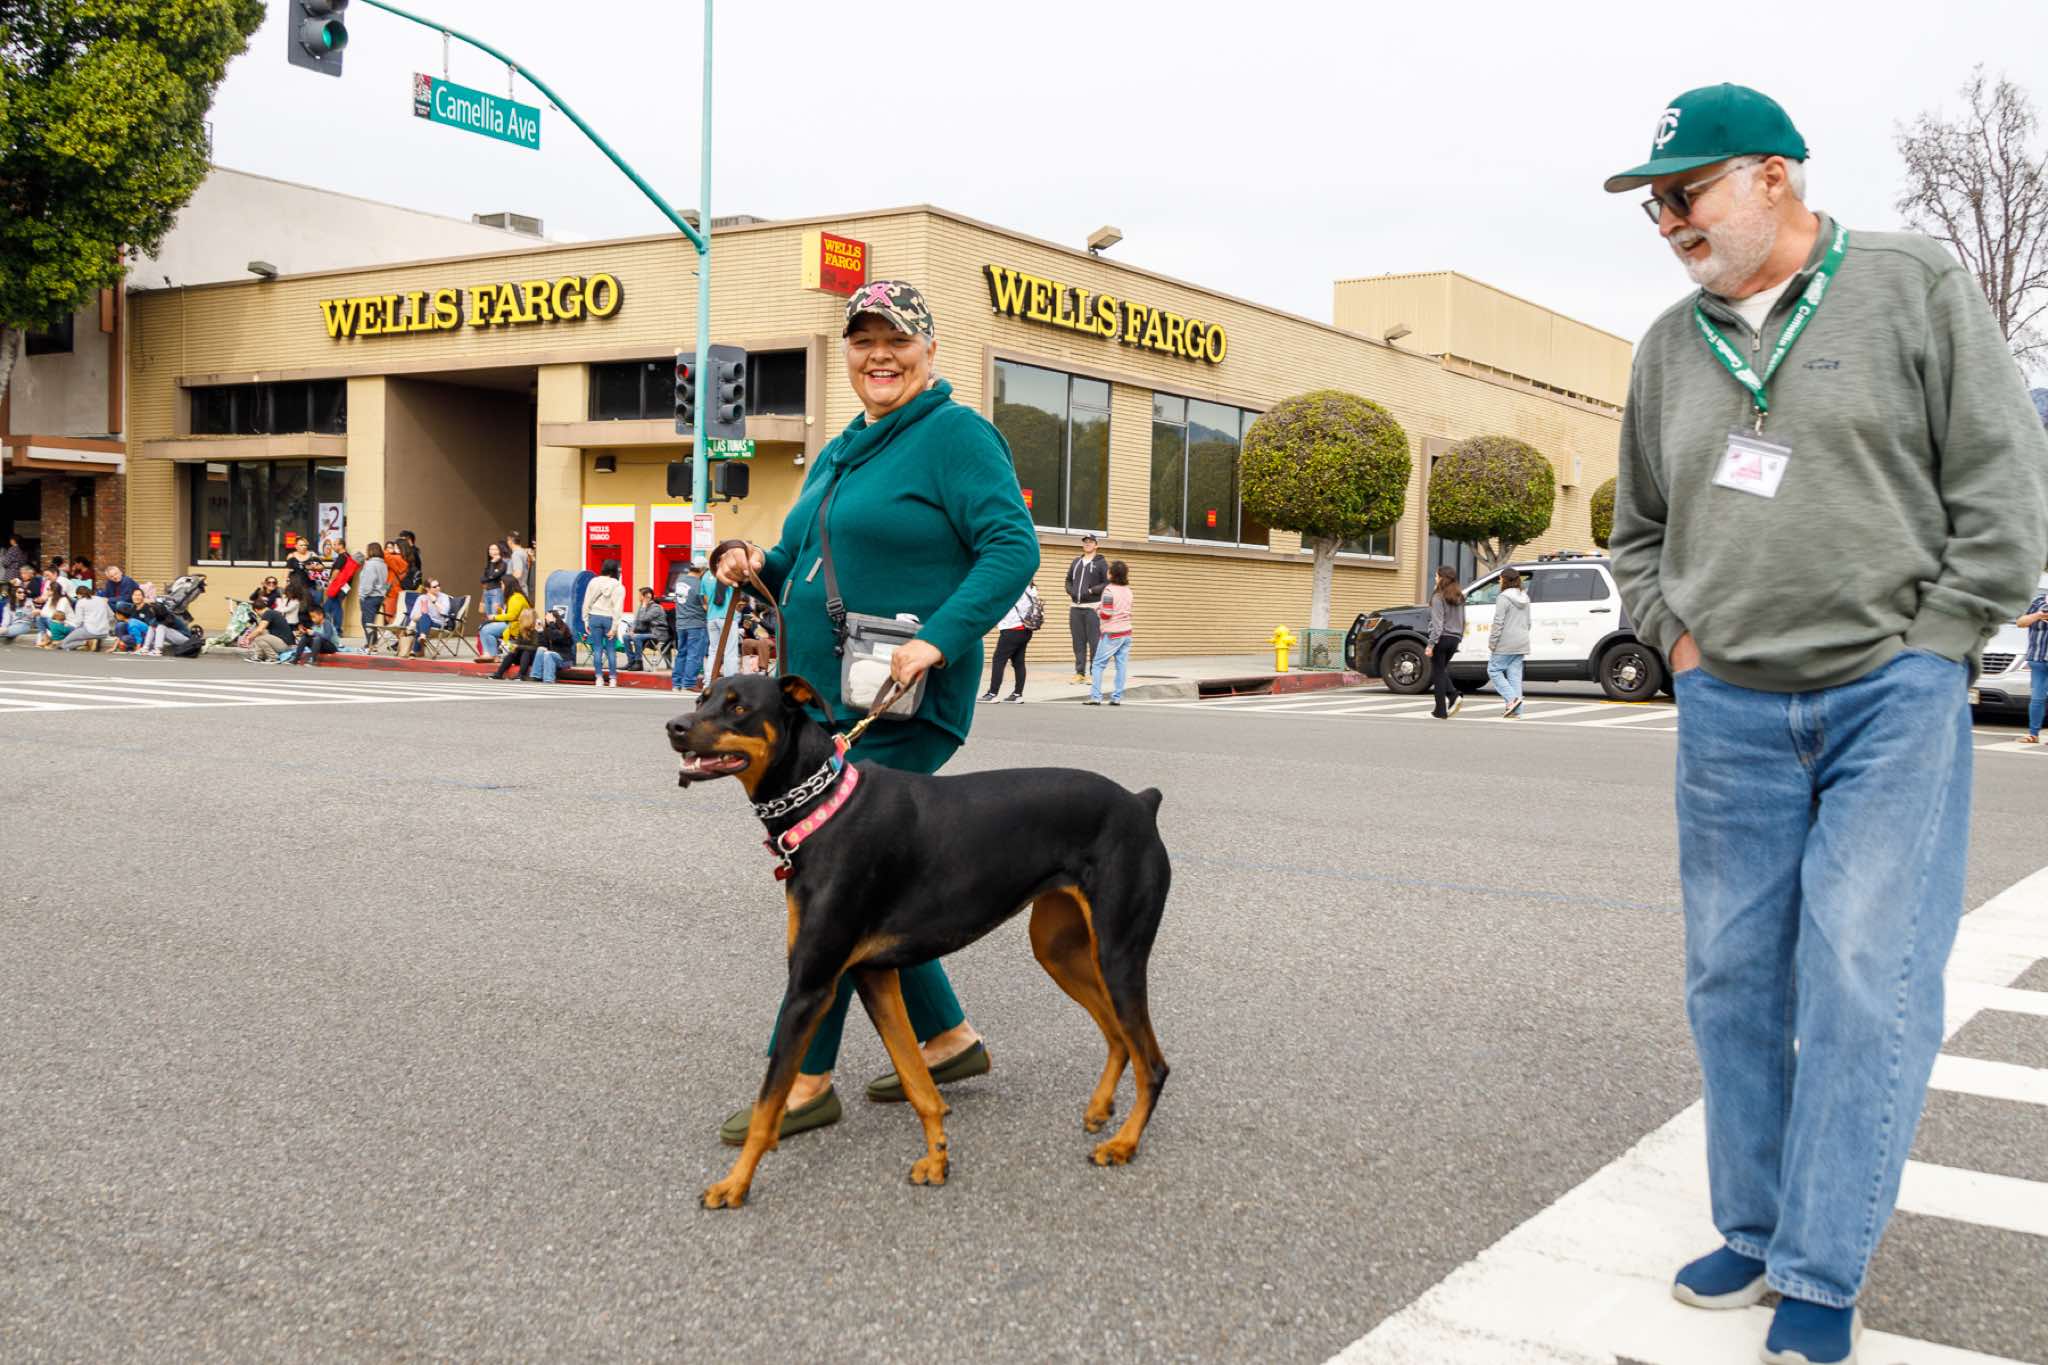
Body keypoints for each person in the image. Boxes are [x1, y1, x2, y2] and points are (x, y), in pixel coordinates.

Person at [1604, 85, 2048, 1364]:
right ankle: (1750, 1229)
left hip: (1884, 697)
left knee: (1862, 977)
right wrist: (1676, 644)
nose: (1668, 221)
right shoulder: (1666, 347)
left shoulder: (1911, 284)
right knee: (1730, 979)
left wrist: (1939, 639)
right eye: (1652, 206)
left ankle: (1818, 1267)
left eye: (1684, 194)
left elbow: (2002, 480)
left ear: (1773, 176)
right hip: (1727, 708)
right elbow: (1635, 530)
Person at [710, 278, 1037, 1144]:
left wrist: (940, 638)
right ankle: (949, 1039)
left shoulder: (955, 436)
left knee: (834, 892)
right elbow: (794, 558)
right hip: (823, 708)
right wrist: (748, 561)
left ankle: (805, 1082)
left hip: (897, 701)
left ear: (929, 349)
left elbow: (1012, 547)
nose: (879, 355)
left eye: (896, 339)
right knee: (868, 885)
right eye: (863, 340)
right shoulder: (843, 448)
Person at [1064, 533, 1109, 684]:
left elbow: (1107, 583)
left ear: (1096, 545)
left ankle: (1094, 674)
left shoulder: (1101, 563)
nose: (1087, 544)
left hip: (1093, 608)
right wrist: (1071, 591)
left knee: (1094, 642)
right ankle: (1079, 673)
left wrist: (1091, 591)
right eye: (1085, 542)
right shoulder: (1076, 562)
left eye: (1090, 542)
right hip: (1075, 608)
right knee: (1078, 642)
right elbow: (1068, 580)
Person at [982, 583, 1039, 703]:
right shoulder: (1031, 588)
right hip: (1026, 629)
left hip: (1012, 628)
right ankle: (1018, 694)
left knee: (998, 660)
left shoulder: (1015, 586)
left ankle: (992, 694)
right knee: (1018, 662)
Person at [1487, 567, 1531, 718]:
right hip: (1522, 641)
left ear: (1505, 580)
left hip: (1505, 642)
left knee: (1493, 670)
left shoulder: (1503, 597)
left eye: (1500, 578)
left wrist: (1492, 642)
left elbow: (1498, 622)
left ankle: (1512, 700)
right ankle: (1516, 711)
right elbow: (1528, 622)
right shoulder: (1525, 597)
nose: (1499, 581)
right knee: (1514, 676)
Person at [1086, 562, 1132, 705]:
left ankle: (1096, 697)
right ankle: (1117, 697)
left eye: (1109, 570)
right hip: (1126, 632)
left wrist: (1097, 609)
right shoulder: (1128, 591)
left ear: (1111, 574)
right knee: (1121, 666)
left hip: (1112, 633)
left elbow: (1106, 614)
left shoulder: (1109, 590)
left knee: (1098, 665)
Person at [1424, 565, 1465, 719]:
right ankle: (1451, 697)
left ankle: (1442, 708)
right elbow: (1463, 620)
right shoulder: (1460, 597)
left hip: (1441, 639)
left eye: (1436, 576)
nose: (1435, 578)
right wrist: (1459, 638)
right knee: (1440, 671)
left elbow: (1437, 625)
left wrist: (1431, 644)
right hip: (1454, 639)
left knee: (1438, 674)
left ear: (1442, 578)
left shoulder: (1438, 597)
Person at [581, 558, 625, 688]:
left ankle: (599, 678)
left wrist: (586, 620)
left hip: (594, 617)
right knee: (611, 649)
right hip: (609, 618)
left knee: (597, 649)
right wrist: (615, 627)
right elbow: (618, 608)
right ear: (615, 570)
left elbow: (586, 602)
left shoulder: (593, 582)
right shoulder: (618, 586)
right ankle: (612, 679)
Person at [669, 571, 710, 693]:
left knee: (681, 653)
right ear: (701, 570)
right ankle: (688, 683)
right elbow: (705, 605)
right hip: (696, 623)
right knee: (694, 654)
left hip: (681, 623)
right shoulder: (699, 584)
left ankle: (676, 684)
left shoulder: (679, 581)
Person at [2018, 588, 2048, 745]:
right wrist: (2038, 615)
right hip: (2037, 658)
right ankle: (2033, 734)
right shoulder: (2037, 602)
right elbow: (2020, 622)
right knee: (2037, 698)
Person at [480, 575, 531, 659]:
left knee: (486, 630)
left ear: (508, 585)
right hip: (512, 623)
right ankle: (489, 653)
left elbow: (511, 616)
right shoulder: (513, 597)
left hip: (516, 625)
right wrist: (499, 610)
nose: (501, 586)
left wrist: (494, 617)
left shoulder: (516, 598)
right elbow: (509, 614)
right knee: (484, 627)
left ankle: (491, 654)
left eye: (502, 584)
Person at [623, 586, 671, 671]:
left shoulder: (656, 608)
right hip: (647, 633)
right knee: (626, 636)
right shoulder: (643, 606)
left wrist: (644, 605)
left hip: (658, 634)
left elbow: (643, 618)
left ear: (647, 596)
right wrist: (632, 630)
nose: (638, 597)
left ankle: (638, 662)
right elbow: (637, 620)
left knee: (636, 637)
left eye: (640, 595)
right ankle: (631, 661)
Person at [319, 541, 357, 643]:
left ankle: (335, 629)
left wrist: (330, 582)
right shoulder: (347, 556)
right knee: (335, 606)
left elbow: (336, 571)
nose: (333, 547)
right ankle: (334, 629)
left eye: (335, 544)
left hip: (338, 586)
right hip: (345, 586)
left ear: (341, 545)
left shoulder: (341, 557)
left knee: (329, 607)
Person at [526, 607, 576, 683]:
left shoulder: (564, 628)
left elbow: (557, 637)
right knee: (541, 649)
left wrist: (552, 623)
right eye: (546, 618)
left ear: (555, 618)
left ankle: (548, 680)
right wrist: (540, 632)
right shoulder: (549, 629)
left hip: (564, 660)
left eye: (549, 618)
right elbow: (544, 645)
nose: (547, 620)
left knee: (548, 654)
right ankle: (536, 676)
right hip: (550, 657)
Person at [357, 543, 390, 650]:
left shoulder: (370, 565)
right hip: (379, 596)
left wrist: (362, 595)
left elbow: (368, 583)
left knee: (367, 622)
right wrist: (383, 593)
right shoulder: (383, 564)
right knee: (370, 621)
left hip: (370, 597)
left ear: (370, 551)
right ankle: (372, 643)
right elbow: (385, 581)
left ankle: (372, 645)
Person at [405, 579, 452, 656]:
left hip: (439, 623)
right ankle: (421, 638)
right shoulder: (422, 598)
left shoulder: (444, 597)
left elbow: (444, 613)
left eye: (438, 585)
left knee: (421, 622)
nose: (438, 588)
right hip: (424, 622)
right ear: (427, 588)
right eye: (434, 587)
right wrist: (421, 614)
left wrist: (435, 601)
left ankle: (415, 649)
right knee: (424, 616)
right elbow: (413, 616)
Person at [490, 606, 538, 680]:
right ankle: (498, 674)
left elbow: (535, 647)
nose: (519, 619)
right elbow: (518, 644)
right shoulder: (522, 630)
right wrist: (510, 646)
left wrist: (518, 647)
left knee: (526, 652)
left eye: (522, 618)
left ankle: (521, 675)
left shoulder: (536, 631)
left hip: (532, 658)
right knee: (512, 653)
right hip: (522, 659)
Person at [479, 543, 508, 616]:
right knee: (488, 616)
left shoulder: (503, 564)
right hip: (487, 592)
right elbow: (482, 579)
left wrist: (492, 563)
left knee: (495, 616)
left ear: (499, 551)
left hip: (496, 591)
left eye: (495, 549)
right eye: (491, 549)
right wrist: (490, 576)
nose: (492, 551)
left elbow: (492, 575)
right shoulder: (489, 563)